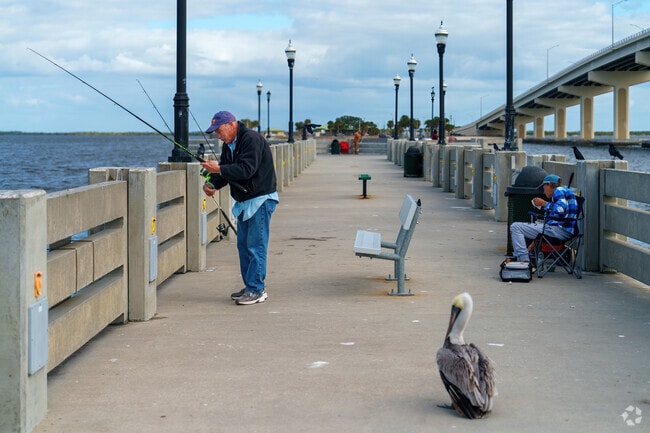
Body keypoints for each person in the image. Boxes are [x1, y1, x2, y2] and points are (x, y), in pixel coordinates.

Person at [200, 111, 278, 305]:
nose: (218, 136)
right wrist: (213, 185)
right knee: (243, 245)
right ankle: (250, 285)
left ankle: (257, 289)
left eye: (219, 131)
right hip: (245, 201)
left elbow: (246, 169)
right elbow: (227, 171)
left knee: (255, 245)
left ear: (231, 125)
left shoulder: (251, 139)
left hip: (260, 199)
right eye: (215, 133)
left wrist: (217, 168)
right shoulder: (229, 145)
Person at [509, 174, 578, 263]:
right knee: (525, 226)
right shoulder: (565, 191)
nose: (544, 192)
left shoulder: (558, 190)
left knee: (515, 227)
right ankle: (523, 258)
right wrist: (531, 246)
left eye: (544, 188)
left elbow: (561, 209)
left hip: (559, 231)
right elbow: (559, 215)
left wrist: (543, 203)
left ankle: (524, 261)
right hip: (564, 231)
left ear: (549, 185)